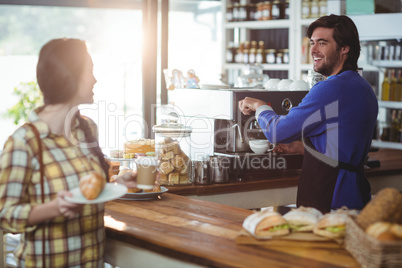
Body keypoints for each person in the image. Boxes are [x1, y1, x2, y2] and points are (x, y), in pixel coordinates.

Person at [0, 38, 136, 267]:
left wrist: (119, 183)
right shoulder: (25, 142)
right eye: (89, 71)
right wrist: (53, 209)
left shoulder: (87, 129)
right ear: (69, 76)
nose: (95, 79)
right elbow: (5, 215)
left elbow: (87, 189)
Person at [239, 15, 378, 213]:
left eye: (322, 43)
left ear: (345, 48)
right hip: (354, 191)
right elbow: (344, 140)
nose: (313, 50)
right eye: (312, 43)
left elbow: (277, 132)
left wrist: (259, 105)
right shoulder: (362, 87)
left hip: (330, 194)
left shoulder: (331, 88)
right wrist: (304, 148)